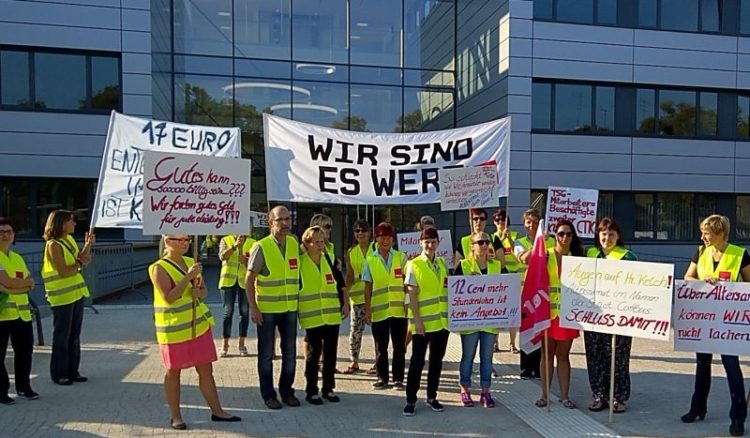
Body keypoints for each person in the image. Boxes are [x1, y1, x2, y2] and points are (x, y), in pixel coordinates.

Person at [150, 234, 240, 429]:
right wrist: (188, 277)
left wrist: (199, 291)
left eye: (187, 240)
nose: (185, 244)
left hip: (198, 326)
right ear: (167, 241)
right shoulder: (158, 268)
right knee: (173, 372)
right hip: (173, 330)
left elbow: (204, 292)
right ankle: (176, 416)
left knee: (206, 370)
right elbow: (169, 297)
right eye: (180, 240)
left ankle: (218, 411)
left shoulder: (192, 261)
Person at [682, 214, 749, 437]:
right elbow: (688, 277)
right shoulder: (701, 252)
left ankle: (738, 417)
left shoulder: (740, 255)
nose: (703, 237)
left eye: (707, 233)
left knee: (731, 367)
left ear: (720, 233)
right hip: (705, 320)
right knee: (702, 364)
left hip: (729, 323)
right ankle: (697, 408)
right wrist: (705, 280)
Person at [245, 205, 301, 410]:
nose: (285, 223)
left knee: (290, 353)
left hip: (289, 309)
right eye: (280, 220)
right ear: (270, 223)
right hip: (267, 310)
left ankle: (287, 391)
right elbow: (248, 280)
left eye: (288, 219)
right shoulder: (261, 246)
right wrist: (253, 308)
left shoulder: (294, 243)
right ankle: (268, 395)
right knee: (266, 355)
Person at [585, 218, 638, 413]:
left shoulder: (628, 257)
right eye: (604, 234)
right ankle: (599, 395)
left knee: (618, 357)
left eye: (611, 234)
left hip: (620, 318)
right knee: (595, 357)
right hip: (593, 317)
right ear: (598, 236)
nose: (607, 238)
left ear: (618, 236)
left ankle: (618, 397)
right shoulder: (590, 255)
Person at [41, 210, 94, 386]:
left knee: (74, 335)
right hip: (62, 296)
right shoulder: (53, 245)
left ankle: (73, 371)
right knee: (62, 335)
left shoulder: (68, 240)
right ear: (61, 223)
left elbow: (81, 259)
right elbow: (64, 271)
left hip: (76, 293)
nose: (74, 224)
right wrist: (79, 263)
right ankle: (60, 373)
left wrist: (88, 245)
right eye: (71, 221)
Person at [299, 226, 350, 405]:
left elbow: (341, 285)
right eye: (316, 242)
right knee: (313, 354)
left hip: (331, 315)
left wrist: (345, 303)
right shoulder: (300, 261)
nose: (320, 245)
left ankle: (328, 389)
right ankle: (311, 390)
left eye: (322, 241)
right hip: (312, 315)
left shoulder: (329, 258)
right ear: (307, 243)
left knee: (330, 354)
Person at [403, 227, 450, 416]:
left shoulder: (442, 263)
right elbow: (411, 296)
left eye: (433, 241)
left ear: (438, 243)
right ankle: (410, 400)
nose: (430, 245)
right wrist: (417, 321)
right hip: (422, 323)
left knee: (436, 362)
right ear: (420, 243)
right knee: (417, 362)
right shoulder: (414, 264)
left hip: (441, 323)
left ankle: (432, 396)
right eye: (426, 242)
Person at [535, 219, 582, 409]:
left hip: (567, 315)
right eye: (561, 233)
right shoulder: (546, 255)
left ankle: (564, 396)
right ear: (555, 235)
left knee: (563, 355)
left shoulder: (578, 258)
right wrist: (540, 241)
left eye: (568, 234)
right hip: (547, 313)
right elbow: (524, 258)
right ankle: (545, 396)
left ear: (573, 237)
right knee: (547, 354)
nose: (564, 237)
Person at [454, 231, 503, 409]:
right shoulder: (463, 266)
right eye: (480, 242)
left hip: (490, 321)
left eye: (486, 242)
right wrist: (468, 282)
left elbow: (507, 287)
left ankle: (485, 391)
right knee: (468, 356)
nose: (484, 245)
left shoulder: (497, 266)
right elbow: (453, 290)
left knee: (487, 358)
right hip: (470, 321)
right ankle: (465, 388)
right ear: (472, 245)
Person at [364, 222, 408, 390]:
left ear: (393, 239)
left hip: (398, 310)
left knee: (399, 347)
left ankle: (398, 379)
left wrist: (407, 304)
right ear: (377, 239)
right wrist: (368, 309)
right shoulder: (370, 260)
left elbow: (407, 282)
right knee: (380, 347)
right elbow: (368, 286)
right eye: (382, 237)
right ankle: (382, 378)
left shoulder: (401, 257)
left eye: (388, 237)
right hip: (380, 310)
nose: (385, 241)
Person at [513, 208, 555, 379]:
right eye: (529, 222)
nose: (532, 225)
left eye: (535, 222)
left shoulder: (550, 241)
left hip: (544, 292)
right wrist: (539, 242)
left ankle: (538, 368)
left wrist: (543, 241)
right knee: (526, 327)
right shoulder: (519, 242)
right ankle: (525, 368)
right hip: (525, 293)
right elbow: (524, 259)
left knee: (541, 327)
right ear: (524, 224)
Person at [0, 217, 37, 404]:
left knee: (24, 352)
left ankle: (24, 387)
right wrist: (15, 285)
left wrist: (11, 287)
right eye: (2, 232)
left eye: (9, 231)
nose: (6, 235)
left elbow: (31, 283)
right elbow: (7, 282)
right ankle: (2, 391)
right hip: (2, 315)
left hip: (22, 314)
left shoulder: (17, 258)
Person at [340, 220, 374, 374]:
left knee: (378, 333)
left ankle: (378, 363)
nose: (360, 233)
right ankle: (354, 361)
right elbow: (350, 275)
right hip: (358, 296)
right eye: (357, 231)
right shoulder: (351, 252)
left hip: (375, 296)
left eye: (363, 230)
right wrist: (344, 294)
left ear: (369, 232)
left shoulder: (377, 248)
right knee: (355, 331)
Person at [218, 233, 256, 357]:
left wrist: (247, 261)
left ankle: (241, 343)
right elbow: (222, 256)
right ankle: (225, 344)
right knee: (227, 312)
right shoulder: (226, 240)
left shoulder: (252, 243)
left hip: (244, 282)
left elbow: (256, 261)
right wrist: (235, 246)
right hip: (228, 281)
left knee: (244, 312)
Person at [491, 209, 520, 353]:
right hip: (498, 278)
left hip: (513, 276)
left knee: (512, 312)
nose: (500, 222)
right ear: (494, 222)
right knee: (497, 312)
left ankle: (512, 343)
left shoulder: (514, 236)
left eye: (503, 219)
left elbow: (518, 255)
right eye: (497, 220)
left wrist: (510, 240)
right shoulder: (491, 238)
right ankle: (495, 343)